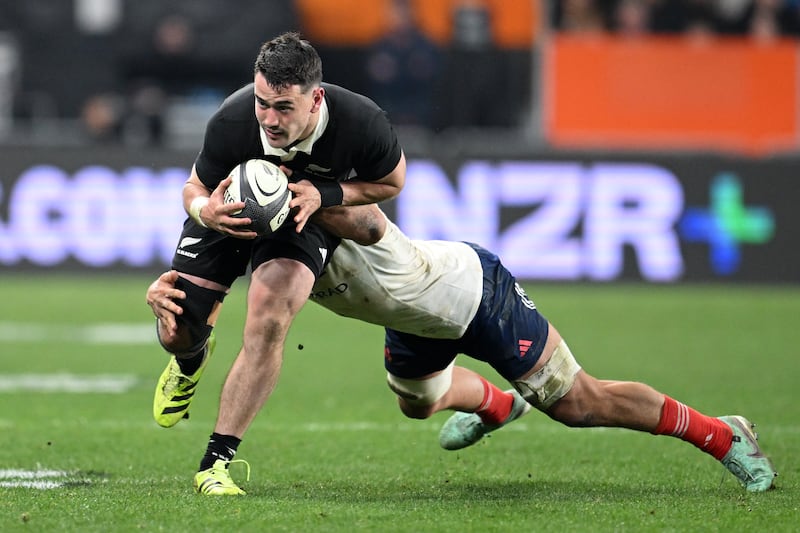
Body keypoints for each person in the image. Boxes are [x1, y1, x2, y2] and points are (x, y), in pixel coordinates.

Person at [148, 206, 778, 495]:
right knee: (418, 404)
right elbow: (203, 308)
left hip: (473, 294)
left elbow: (362, 222)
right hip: (417, 321)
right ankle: (499, 407)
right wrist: (172, 311)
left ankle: (723, 435)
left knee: (578, 403)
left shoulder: (315, 214)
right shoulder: (246, 235)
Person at [150, 32, 406, 495]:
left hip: (304, 214)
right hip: (226, 213)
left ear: (316, 99)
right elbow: (193, 187)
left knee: (269, 316)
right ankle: (190, 360)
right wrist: (204, 211)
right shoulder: (232, 118)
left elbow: (392, 181)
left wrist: (326, 194)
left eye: (284, 107)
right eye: (263, 102)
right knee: (176, 328)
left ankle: (216, 462)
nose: (269, 118)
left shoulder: (360, 121)